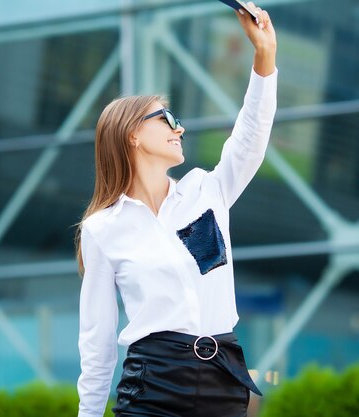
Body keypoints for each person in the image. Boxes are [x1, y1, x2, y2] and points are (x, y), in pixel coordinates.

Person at [76, 2, 277, 416]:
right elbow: (96, 342)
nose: (179, 127)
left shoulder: (207, 191)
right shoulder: (103, 229)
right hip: (153, 382)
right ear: (132, 133)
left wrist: (264, 58)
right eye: (166, 118)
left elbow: (251, 138)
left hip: (224, 377)